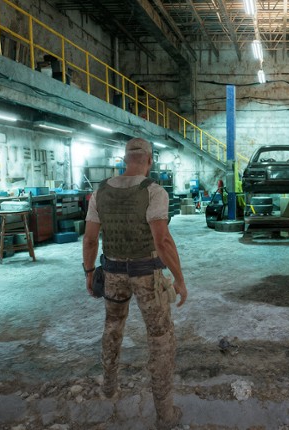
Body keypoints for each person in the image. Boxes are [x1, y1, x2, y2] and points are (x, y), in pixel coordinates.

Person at [82, 137, 187, 430]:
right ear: (150, 161)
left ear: (124, 160)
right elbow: (162, 241)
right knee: (160, 337)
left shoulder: (100, 192)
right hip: (146, 276)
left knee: (112, 327)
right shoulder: (154, 191)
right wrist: (179, 279)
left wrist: (89, 272)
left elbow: (90, 239)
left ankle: (109, 388)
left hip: (112, 272)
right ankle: (165, 414)